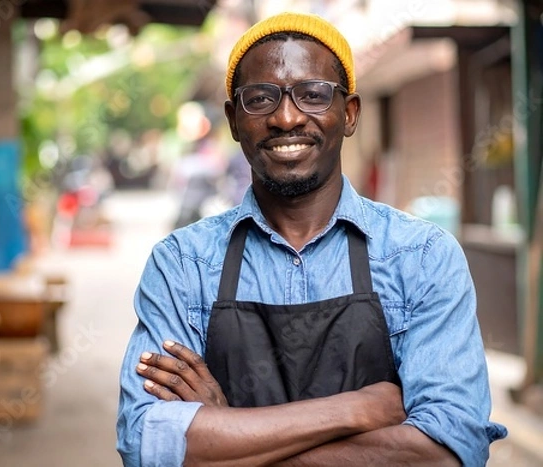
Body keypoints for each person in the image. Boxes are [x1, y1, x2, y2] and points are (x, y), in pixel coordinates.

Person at [117, 12, 507, 467]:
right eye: (260, 98)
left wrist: (230, 435)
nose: (286, 117)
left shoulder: (421, 257)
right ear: (232, 119)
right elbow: (148, 444)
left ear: (350, 113)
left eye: (313, 95)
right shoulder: (182, 265)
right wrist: (356, 410)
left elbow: (446, 452)